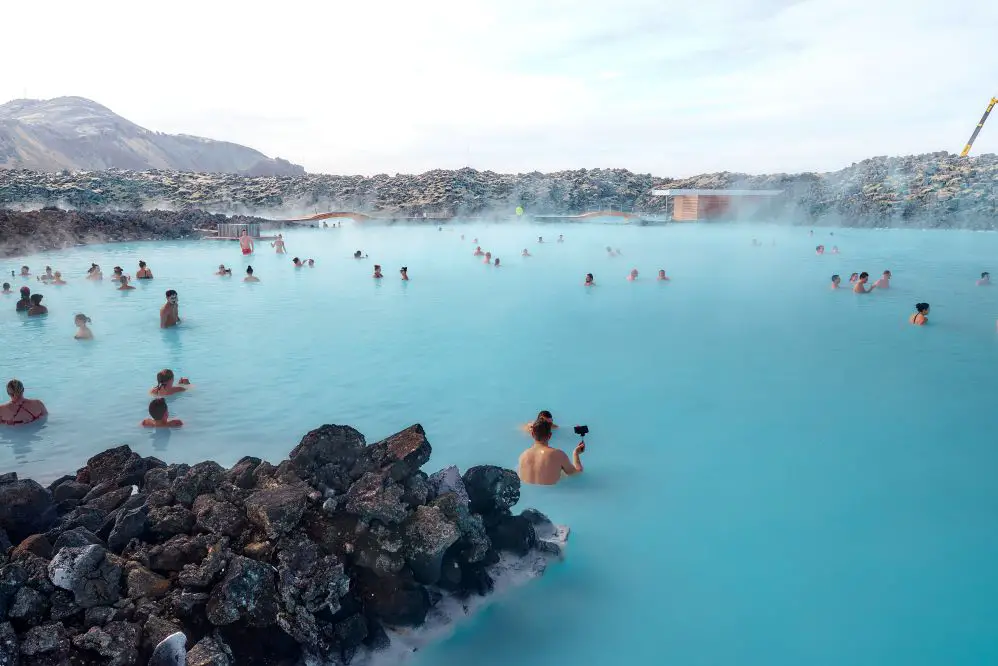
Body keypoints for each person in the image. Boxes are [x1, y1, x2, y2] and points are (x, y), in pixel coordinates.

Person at [517, 419, 584, 486]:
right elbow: (577, 474)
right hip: (554, 492)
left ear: (532, 434)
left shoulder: (523, 456)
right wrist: (576, 453)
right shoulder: (558, 455)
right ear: (550, 435)